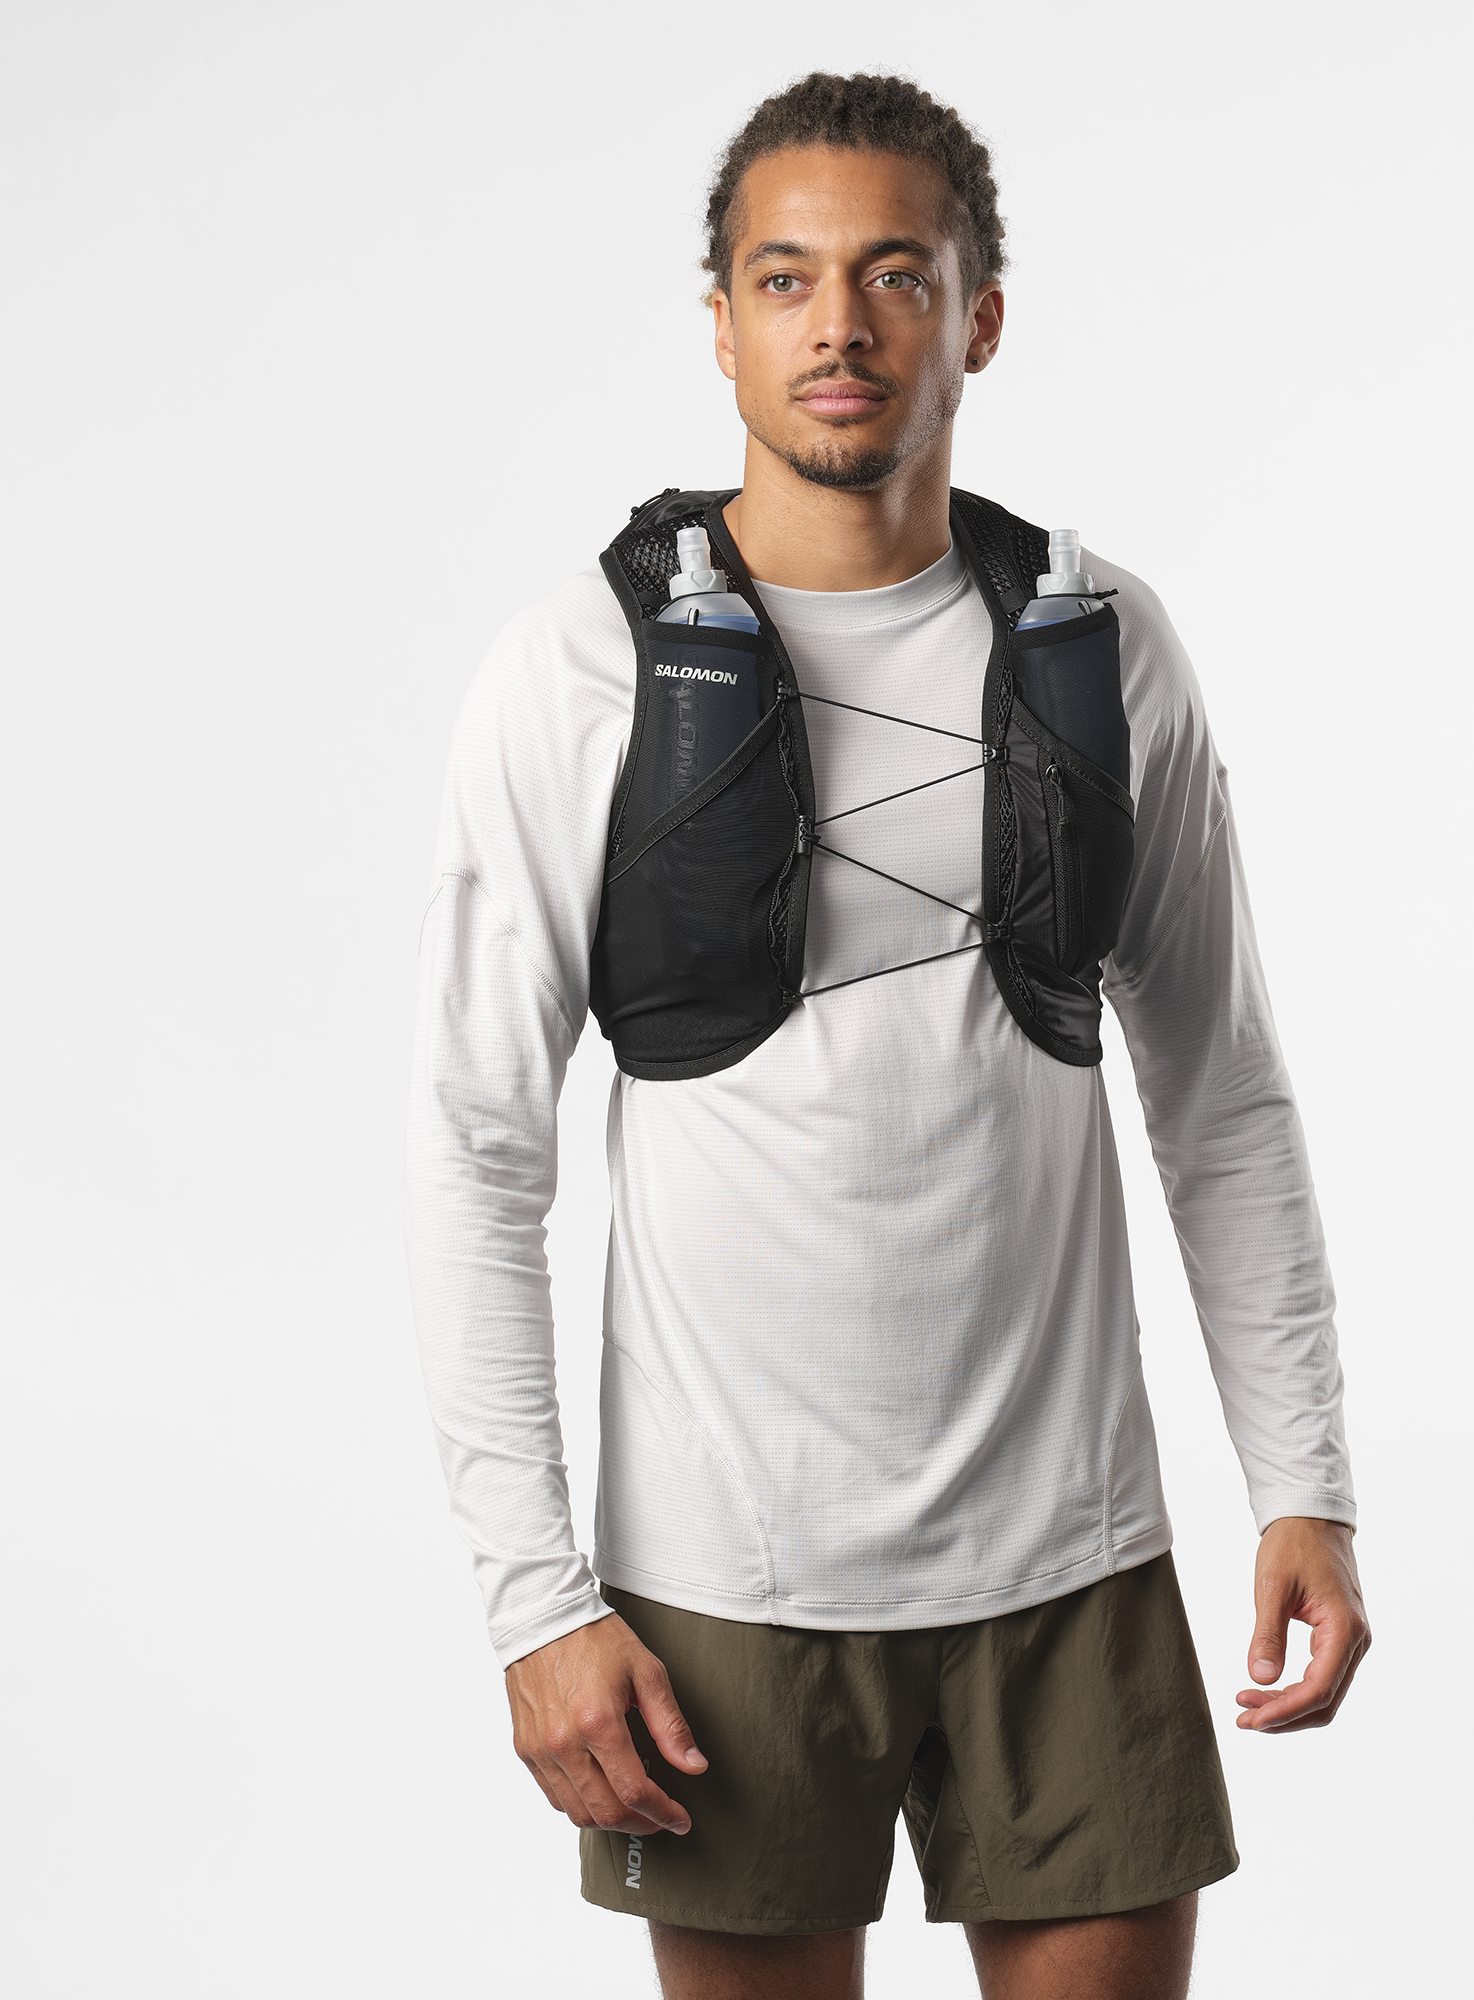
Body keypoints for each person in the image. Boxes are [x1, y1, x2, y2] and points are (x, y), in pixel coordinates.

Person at [405, 70, 1369, 2000]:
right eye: (785, 279)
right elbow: (477, 1152)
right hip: (725, 1583)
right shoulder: (578, 672)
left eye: (894, 276)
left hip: (1074, 1556)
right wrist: (535, 1606)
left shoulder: (1104, 646)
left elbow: (1224, 1098)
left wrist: (1306, 1481)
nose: (837, 326)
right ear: (722, 324)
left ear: (978, 316)